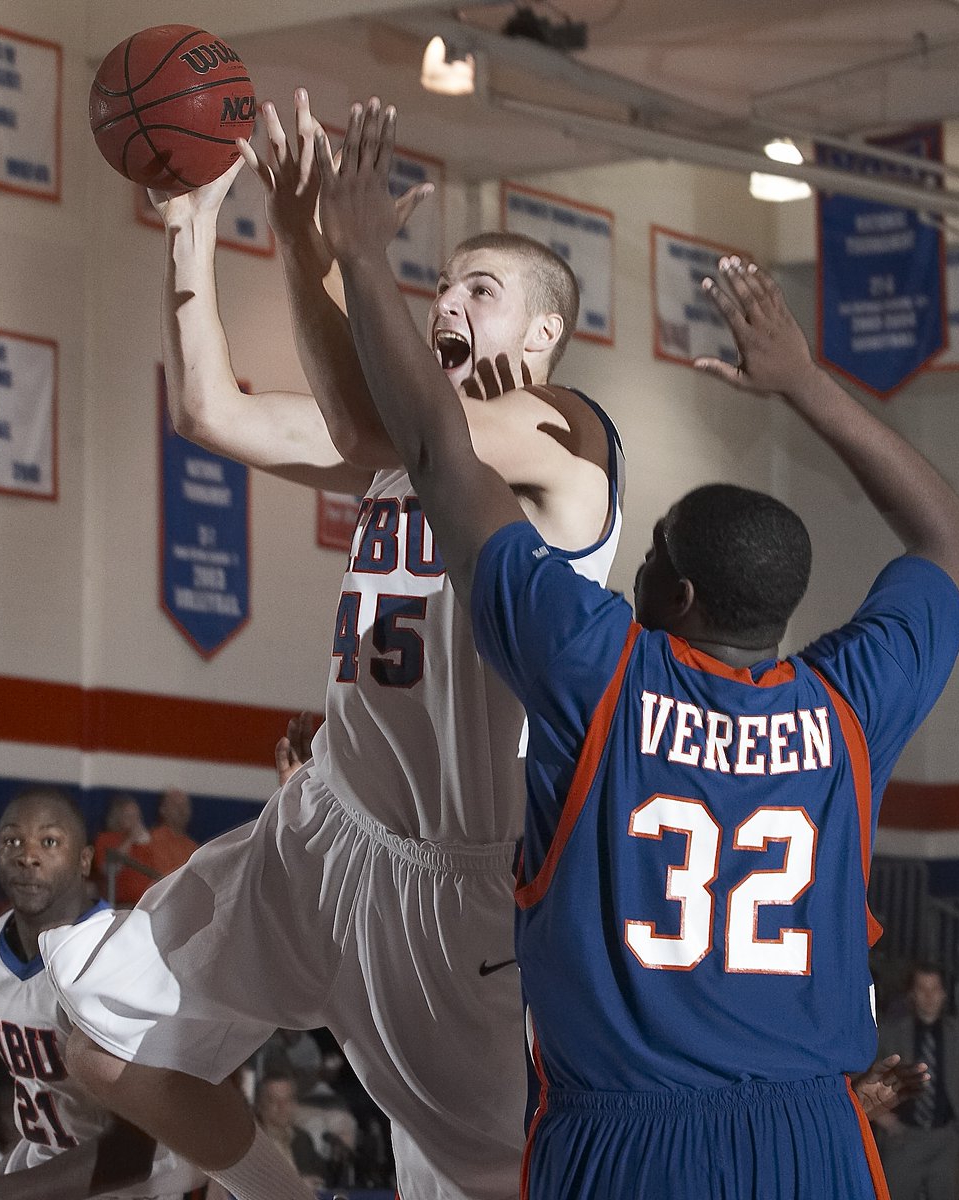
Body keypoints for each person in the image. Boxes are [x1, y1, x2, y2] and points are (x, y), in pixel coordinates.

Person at [312, 101, 959, 1199]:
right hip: (810, 1135)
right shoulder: (848, 707)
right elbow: (949, 537)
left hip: (626, 1141)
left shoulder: (600, 670)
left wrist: (355, 255)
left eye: (654, 546)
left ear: (672, 590)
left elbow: (435, 450)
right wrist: (805, 382)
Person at [40, 89, 624, 1200]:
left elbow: (373, 420)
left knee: (491, 1180)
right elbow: (210, 412)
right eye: (441, 283)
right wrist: (194, 227)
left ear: (543, 334)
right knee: (105, 1035)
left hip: (457, 881)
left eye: (480, 290)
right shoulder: (404, 448)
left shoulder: (568, 433)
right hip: (322, 825)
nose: (447, 299)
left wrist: (317, 242)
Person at [0, 786, 207, 1199]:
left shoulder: (121, 953)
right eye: (12, 841)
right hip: (43, 1170)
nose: (28, 856)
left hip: (132, 1184)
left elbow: (133, 1150)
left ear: (84, 860)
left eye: (49, 842)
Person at [875, 963, 959, 1200]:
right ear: (912, 994)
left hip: (946, 1139)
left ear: (943, 993)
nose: (929, 996)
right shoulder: (893, 1033)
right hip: (903, 1137)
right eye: (922, 989)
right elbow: (864, 1073)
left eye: (934, 989)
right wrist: (880, 1115)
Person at [252, 1073, 324, 1193]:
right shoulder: (252, 1143)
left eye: (287, 1100)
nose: (282, 1107)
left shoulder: (302, 1139)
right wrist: (296, 1186)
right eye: (273, 1101)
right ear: (260, 1104)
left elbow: (318, 1179)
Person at [90, 794, 156, 908]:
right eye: (129, 816)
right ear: (117, 817)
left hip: (147, 904)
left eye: (137, 816)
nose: (135, 821)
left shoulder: (145, 843)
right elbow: (107, 870)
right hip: (119, 904)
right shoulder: (105, 839)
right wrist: (130, 840)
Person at [145, 790, 198, 880]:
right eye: (175, 805)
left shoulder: (193, 848)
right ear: (163, 810)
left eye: (184, 806)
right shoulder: (150, 840)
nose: (181, 810)